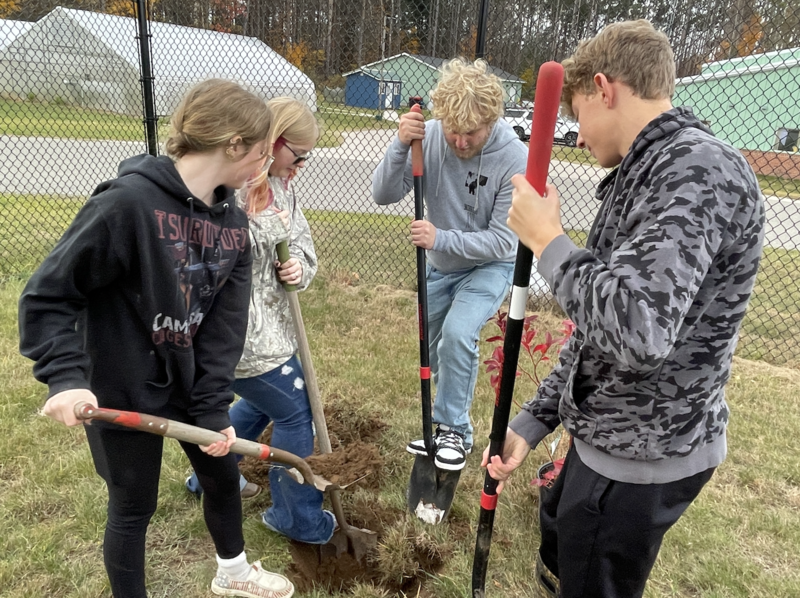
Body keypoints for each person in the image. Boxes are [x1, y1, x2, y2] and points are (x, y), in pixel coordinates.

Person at [483, 20, 765, 598]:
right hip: (613, 431)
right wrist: (536, 420)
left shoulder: (694, 173)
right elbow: (598, 325)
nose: (578, 137)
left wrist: (549, 243)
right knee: (560, 545)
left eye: (578, 114)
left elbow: (637, 331)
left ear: (605, 89)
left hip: (642, 450)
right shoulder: (650, 169)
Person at [18, 79, 295, 598]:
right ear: (234, 143)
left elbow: (222, 329)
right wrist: (64, 379)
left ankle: (233, 574)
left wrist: (213, 407)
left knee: (220, 474)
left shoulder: (234, 225)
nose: (262, 166)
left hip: (189, 383)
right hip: (119, 385)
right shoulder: (128, 204)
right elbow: (50, 295)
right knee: (133, 502)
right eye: (260, 153)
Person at [185, 96, 335, 544]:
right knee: (294, 413)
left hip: (275, 329)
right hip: (240, 336)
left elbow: (302, 246)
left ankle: (209, 477)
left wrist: (298, 269)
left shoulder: (283, 187)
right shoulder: (228, 190)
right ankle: (297, 518)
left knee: (258, 404)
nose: (302, 165)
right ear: (275, 141)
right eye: (299, 154)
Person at [372, 58, 528, 471]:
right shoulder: (434, 136)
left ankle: (454, 430)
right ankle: (445, 430)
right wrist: (400, 144)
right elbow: (383, 194)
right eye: (453, 130)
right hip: (440, 265)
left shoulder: (514, 157)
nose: (459, 141)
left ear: (492, 120)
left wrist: (439, 237)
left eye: (471, 133)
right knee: (437, 349)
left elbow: (503, 239)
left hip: (490, 265)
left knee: (459, 335)